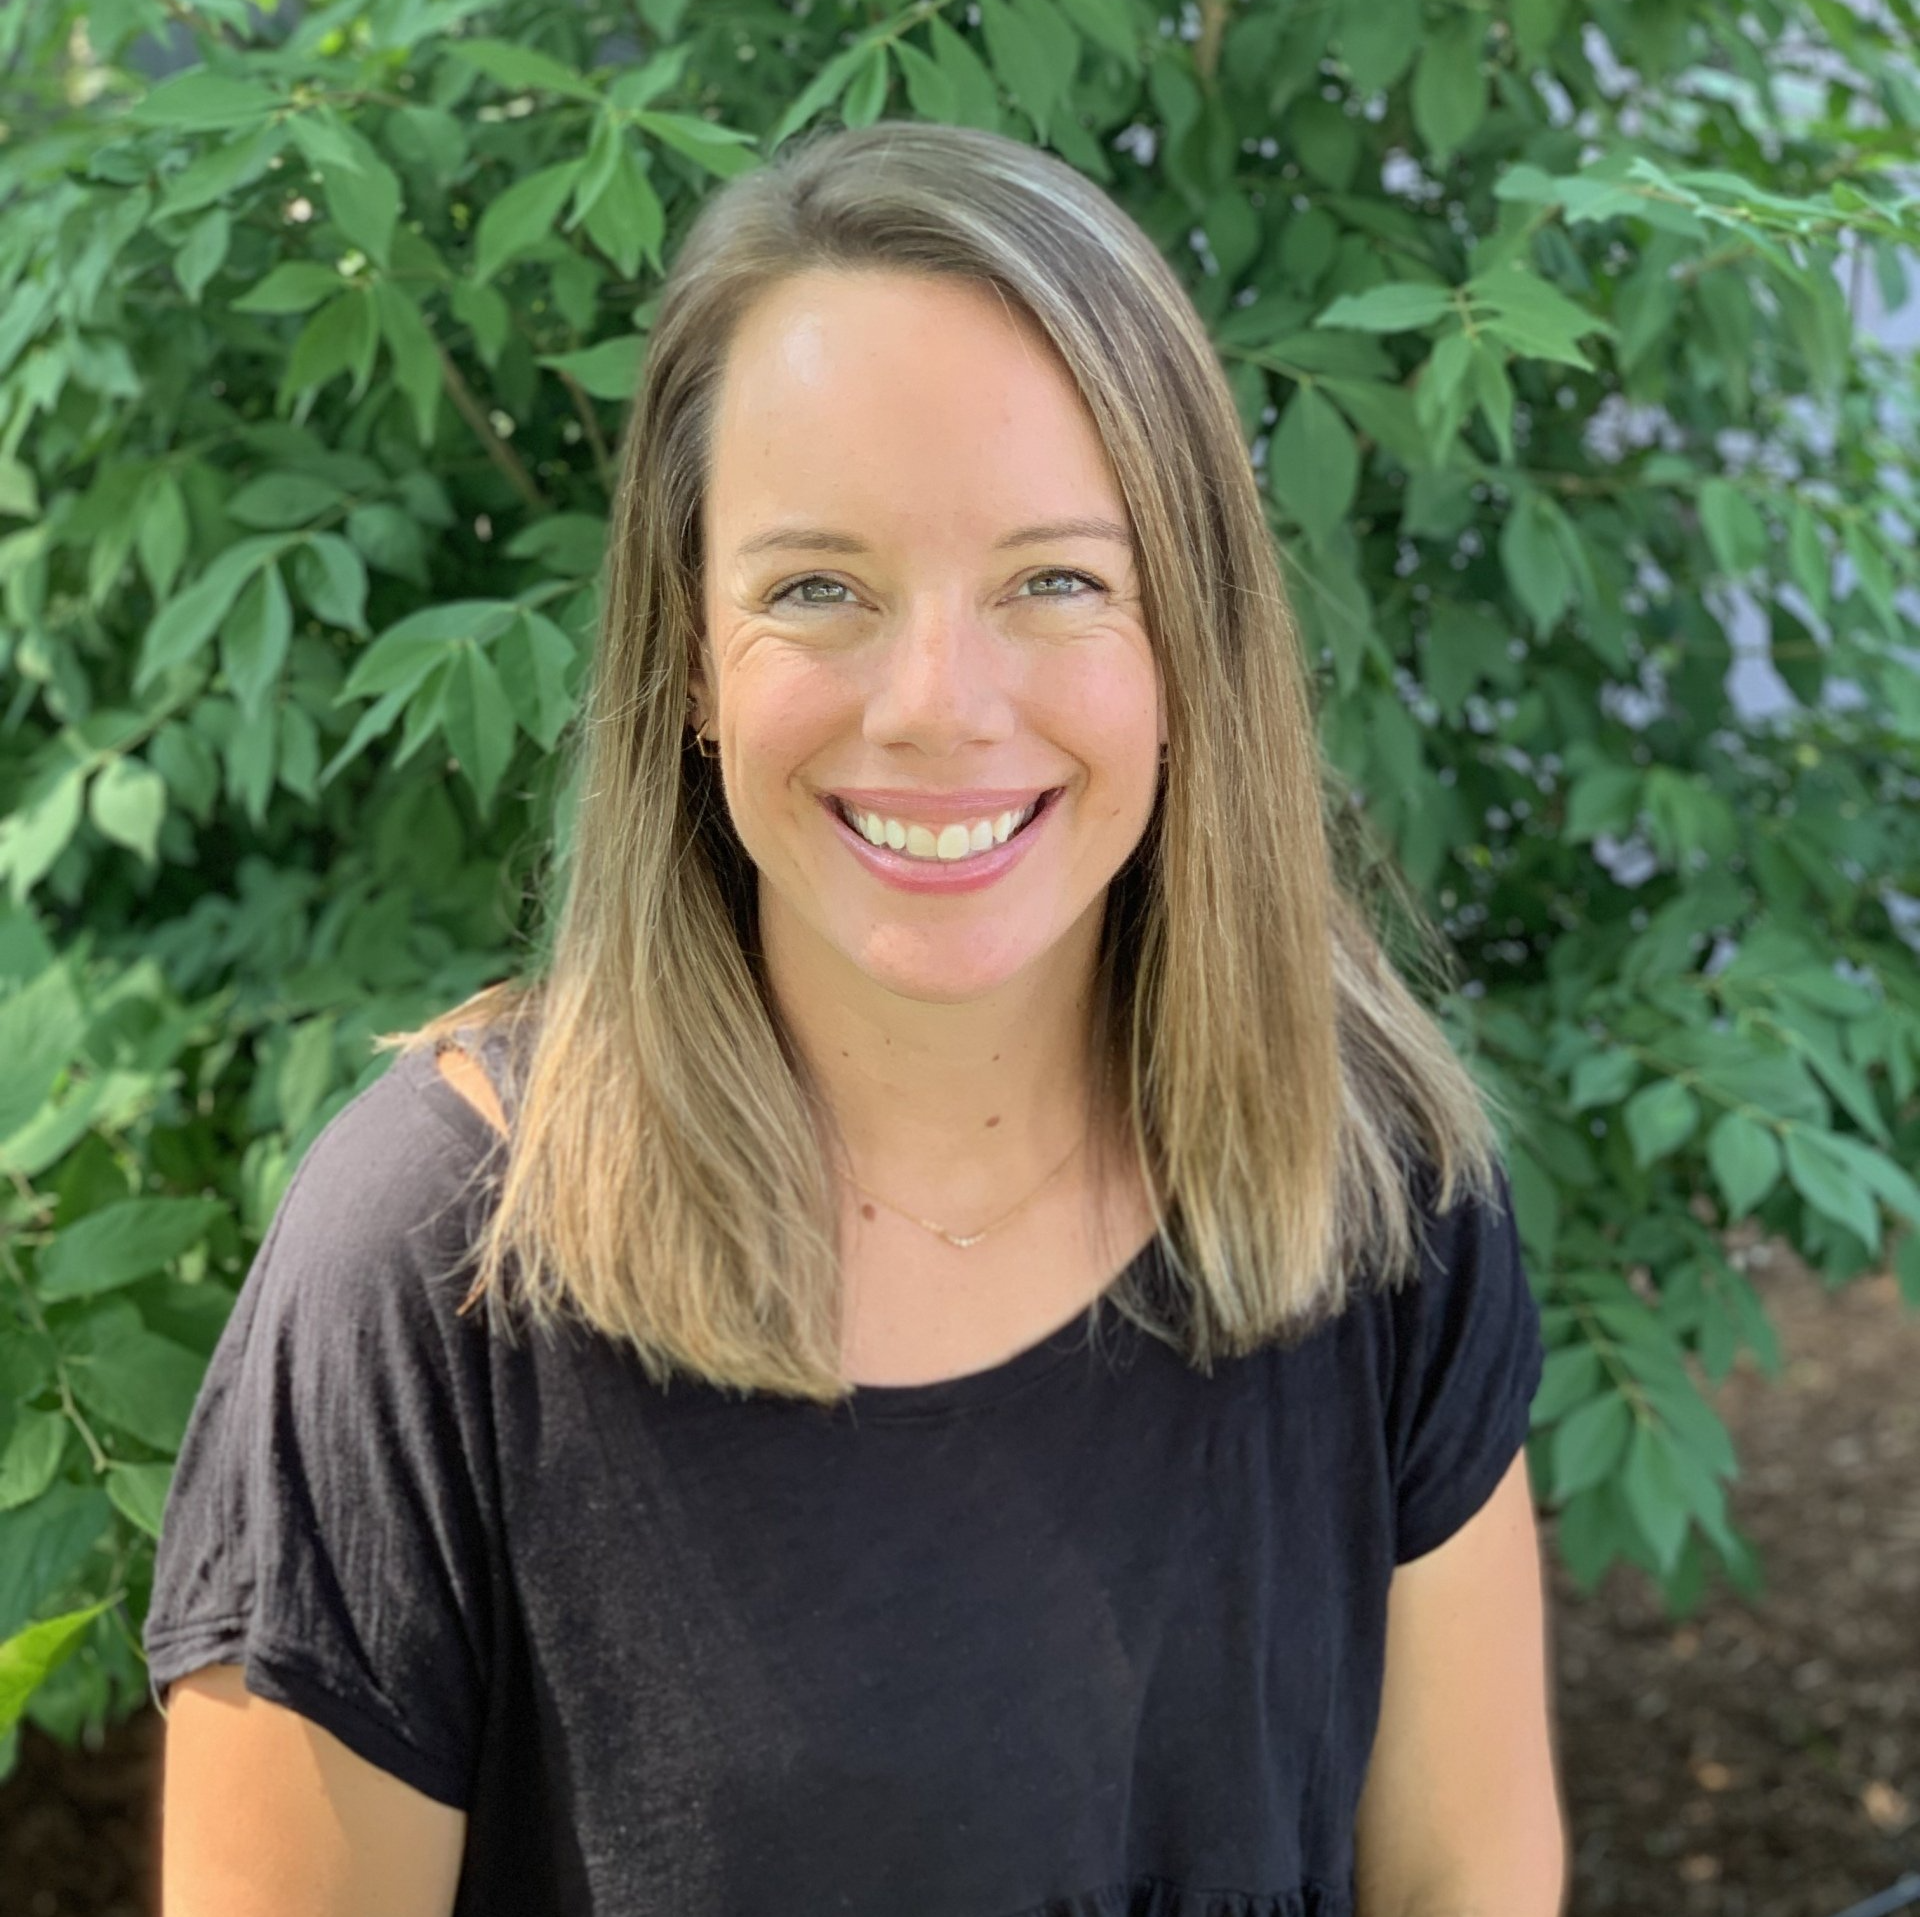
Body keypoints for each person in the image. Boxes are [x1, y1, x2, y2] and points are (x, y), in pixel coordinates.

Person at [144, 119, 1566, 1916]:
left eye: (1057, 579)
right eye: (819, 588)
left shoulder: (1377, 1186)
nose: (937, 706)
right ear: (687, 659)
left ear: (1187, 635)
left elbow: (1465, 1875)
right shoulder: (426, 1274)